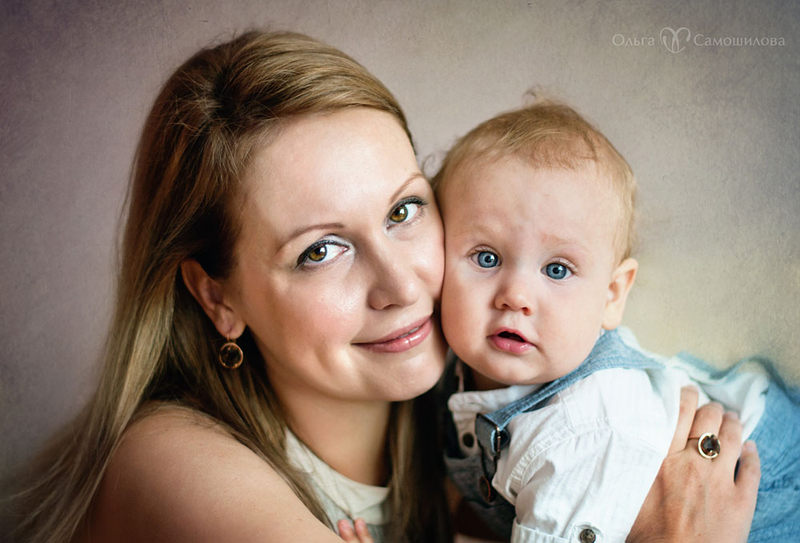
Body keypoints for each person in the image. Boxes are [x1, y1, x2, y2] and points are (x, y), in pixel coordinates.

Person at [12, 31, 760, 543]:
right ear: (218, 298)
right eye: (320, 251)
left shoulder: (478, 432)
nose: (402, 283)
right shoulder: (170, 463)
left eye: (403, 211)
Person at [433, 101, 798, 542]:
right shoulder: (454, 366)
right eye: (487, 258)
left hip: (769, 492)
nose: (517, 296)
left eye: (557, 270)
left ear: (612, 295)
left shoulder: (579, 431)